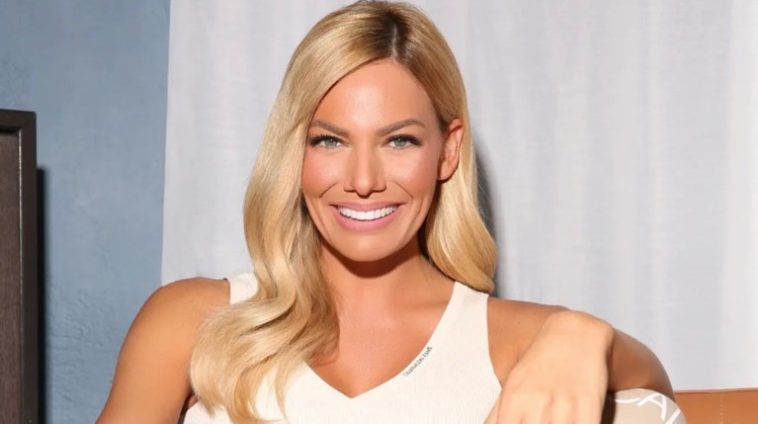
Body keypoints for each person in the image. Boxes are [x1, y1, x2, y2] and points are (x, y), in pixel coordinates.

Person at [98, 1, 680, 423]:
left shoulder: (515, 340)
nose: (363, 181)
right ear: (294, 151)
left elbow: (654, 395)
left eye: (399, 140)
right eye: (330, 140)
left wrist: (584, 334)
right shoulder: (194, 321)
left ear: (448, 151)